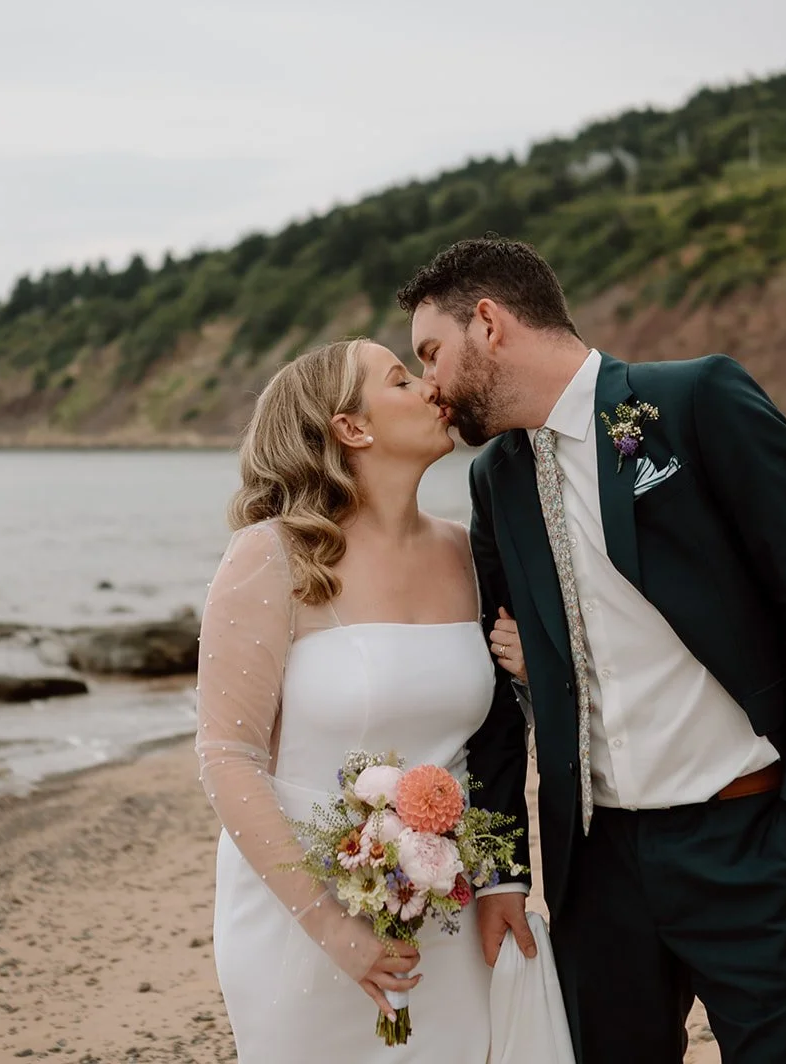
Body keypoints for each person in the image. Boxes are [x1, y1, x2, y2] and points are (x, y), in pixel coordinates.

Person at [401, 236, 786, 1064]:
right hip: (597, 873)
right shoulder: (496, 481)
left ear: (488, 323)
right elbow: (495, 695)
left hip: (755, 838)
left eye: (430, 353)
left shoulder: (696, 402)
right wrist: (504, 871)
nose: (429, 385)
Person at [194, 337, 499, 1061]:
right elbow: (226, 756)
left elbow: (497, 734)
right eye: (400, 379)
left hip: (446, 907)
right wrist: (335, 931)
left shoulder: (467, 552)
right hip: (302, 913)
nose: (430, 386)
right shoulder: (273, 555)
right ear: (351, 427)